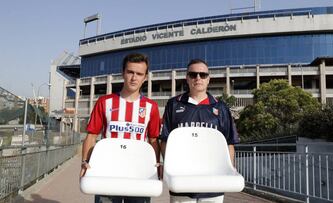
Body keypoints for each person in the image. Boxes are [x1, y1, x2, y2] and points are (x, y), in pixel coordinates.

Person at [80, 53, 161, 203]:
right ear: (123, 73)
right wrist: (85, 161)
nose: (134, 77)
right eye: (130, 72)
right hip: (107, 171)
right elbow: (91, 136)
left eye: (139, 74)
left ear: (145, 77)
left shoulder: (151, 107)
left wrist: (156, 167)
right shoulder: (104, 102)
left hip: (139, 173)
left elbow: (153, 140)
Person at [160, 59, 239, 203]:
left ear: (208, 79)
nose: (198, 78)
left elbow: (229, 143)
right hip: (182, 180)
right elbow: (165, 140)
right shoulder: (173, 104)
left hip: (213, 180)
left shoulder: (220, 108)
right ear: (187, 78)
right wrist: (170, 167)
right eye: (193, 74)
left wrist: (230, 169)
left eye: (202, 75)